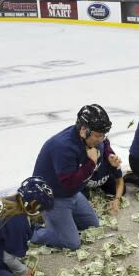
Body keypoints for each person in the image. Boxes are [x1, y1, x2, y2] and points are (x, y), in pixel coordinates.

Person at [31, 105, 112, 250]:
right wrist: (91, 163)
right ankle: (30, 232)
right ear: (83, 130)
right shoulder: (63, 147)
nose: (101, 139)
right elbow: (69, 183)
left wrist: (109, 155)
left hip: (73, 194)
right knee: (72, 243)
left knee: (92, 226)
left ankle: (60, 222)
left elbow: (105, 144)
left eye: (103, 134)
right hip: (52, 196)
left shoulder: (94, 139)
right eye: (97, 135)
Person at [82, 142, 125, 215]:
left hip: (102, 178)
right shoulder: (79, 164)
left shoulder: (110, 159)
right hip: (83, 185)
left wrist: (117, 200)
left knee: (121, 191)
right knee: (82, 202)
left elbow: (119, 181)